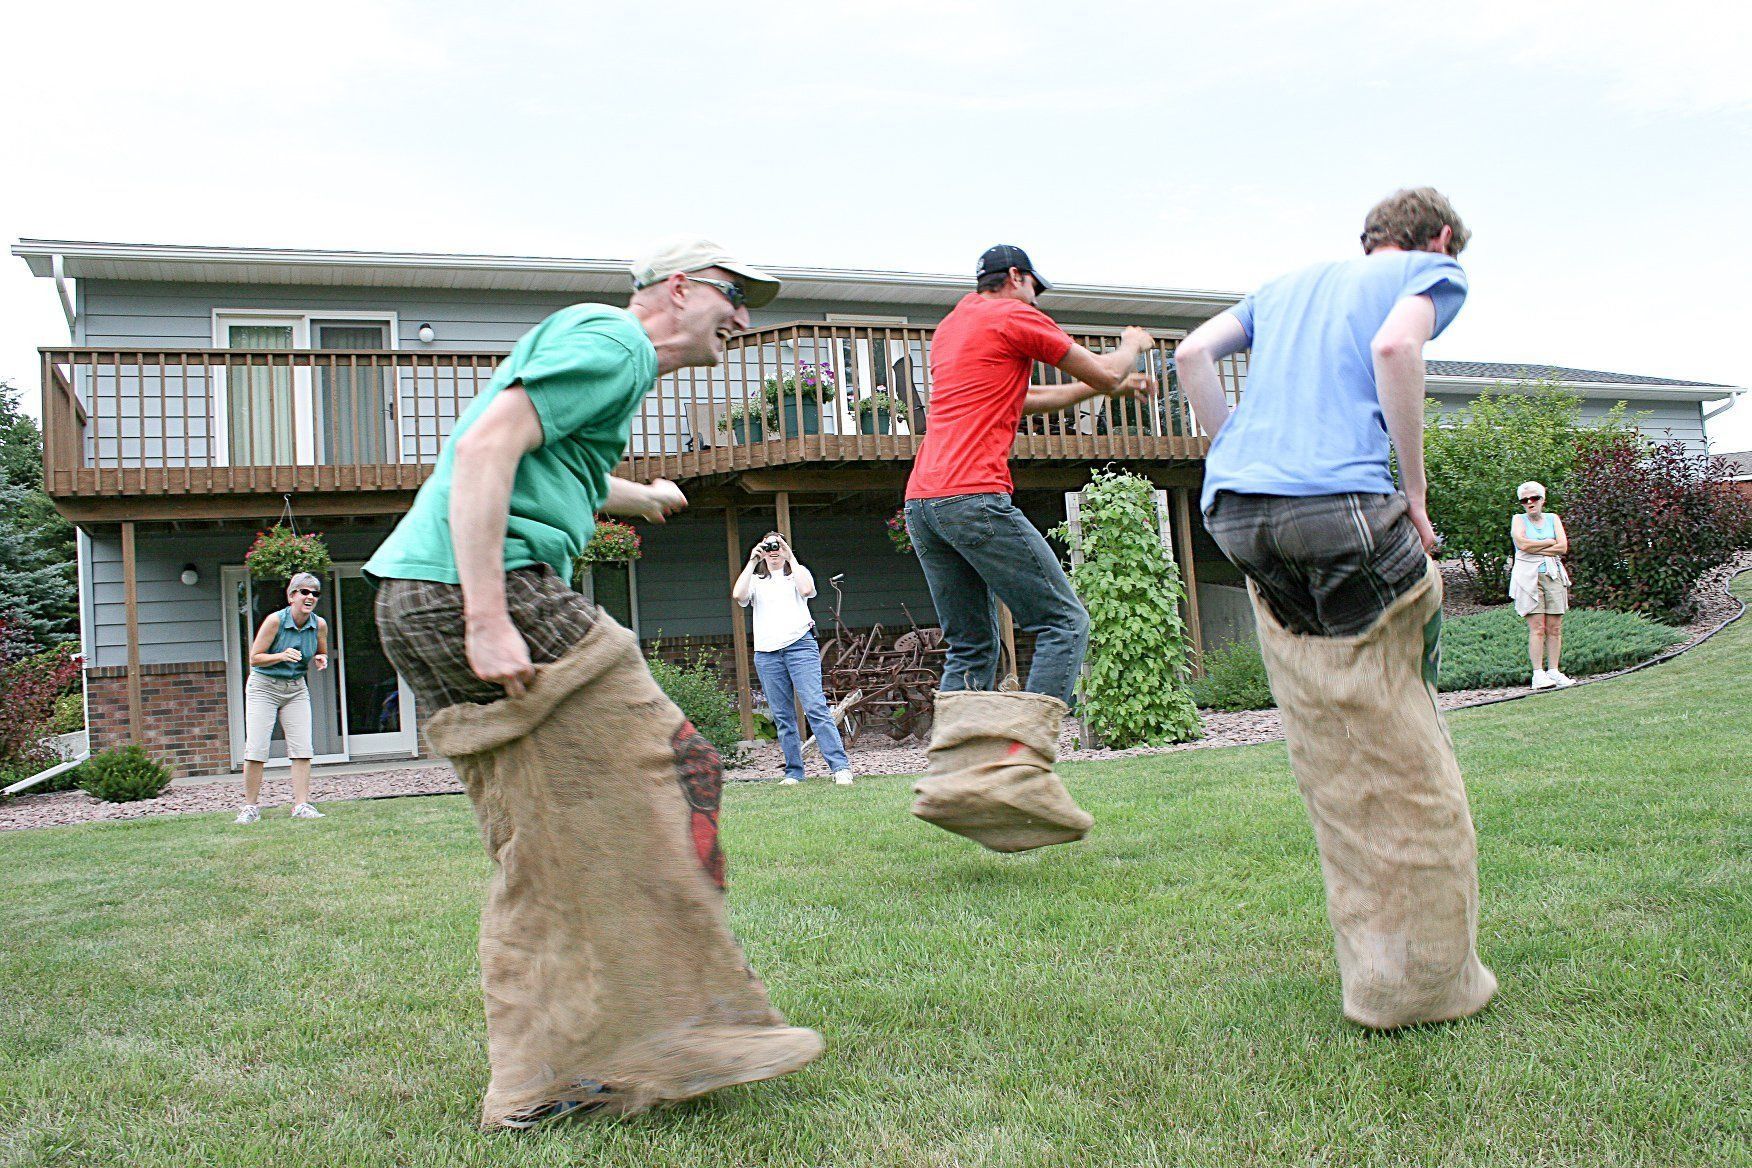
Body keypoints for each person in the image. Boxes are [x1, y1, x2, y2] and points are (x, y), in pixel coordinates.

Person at [364, 239, 822, 1129]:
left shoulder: (601, 358)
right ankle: (694, 1024)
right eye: (733, 296)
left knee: (543, 852)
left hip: (412, 600)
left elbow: (545, 459)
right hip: (480, 589)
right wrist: (489, 616)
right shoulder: (617, 344)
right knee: (674, 768)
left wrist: (634, 495)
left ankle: (534, 1084)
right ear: (677, 288)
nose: (743, 319)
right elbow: (488, 445)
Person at [1174, 188, 1497, 1030]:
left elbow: (1189, 358)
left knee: (1336, 724)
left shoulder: (1282, 287)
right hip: (1345, 508)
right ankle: (1427, 980)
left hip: (1236, 516)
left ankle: (1379, 968)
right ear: (1441, 236)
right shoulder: (1431, 271)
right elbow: (1396, 346)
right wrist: (1416, 492)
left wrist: (1229, 444)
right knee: (1403, 714)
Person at [903, 244, 1156, 853]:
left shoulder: (955, 325)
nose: (1040, 301)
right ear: (1015, 278)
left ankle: (952, 776)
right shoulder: (1014, 314)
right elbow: (1105, 369)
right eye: (1036, 288)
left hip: (922, 505)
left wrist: (1105, 392)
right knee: (1063, 620)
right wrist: (1131, 345)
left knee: (973, 641)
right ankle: (1024, 764)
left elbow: (1023, 401)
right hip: (973, 499)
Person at [732, 532, 854, 786]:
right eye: (768, 546)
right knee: (782, 715)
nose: (773, 550)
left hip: (800, 647)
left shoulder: (798, 573)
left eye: (778, 545)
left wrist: (791, 557)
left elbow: (807, 590)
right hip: (767, 653)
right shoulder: (755, 579)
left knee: (815, 707)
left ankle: (840, 767)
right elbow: (738, 596)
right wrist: (752, 561)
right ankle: (793, 773)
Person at [235, 572, 329, 823]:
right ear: (291, 596)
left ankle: (301, 805)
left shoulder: (319, 624)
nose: (310, 597)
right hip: (264, 687)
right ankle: (250, 808)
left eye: (315, 593)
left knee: (302, 748)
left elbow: (320, 650)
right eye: (304, 592)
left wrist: (321, 658)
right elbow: (255, 658)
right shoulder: (274, 621)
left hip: (296, 688)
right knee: (256, 747)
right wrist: (281, 655)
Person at [1509, 480, 1574, 689]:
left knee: (1554, 627)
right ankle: (1538, 674)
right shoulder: (1518, 520)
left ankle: (1554, 670)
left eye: (1534, 498)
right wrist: (1549, 542)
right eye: (1525, 500)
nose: (1530, 502)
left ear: (1542, 499)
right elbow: (1522, 544)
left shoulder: (1552, 518)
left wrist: (1535, 547)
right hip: (1529, 577)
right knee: (1537, 628)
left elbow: (1563, 547)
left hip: (1553, 575)